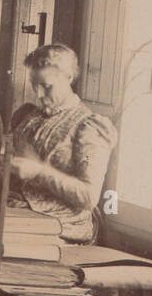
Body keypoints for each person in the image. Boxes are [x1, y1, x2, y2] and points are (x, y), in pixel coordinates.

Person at [9, 44, 117, 244]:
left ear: (69, 77)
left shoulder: (88, 127)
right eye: (34, 85)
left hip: (59, 223)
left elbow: (88, 197)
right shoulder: (29, 116)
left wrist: (39, 172)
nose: (39, 94)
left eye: (47, 86)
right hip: (18, 209)